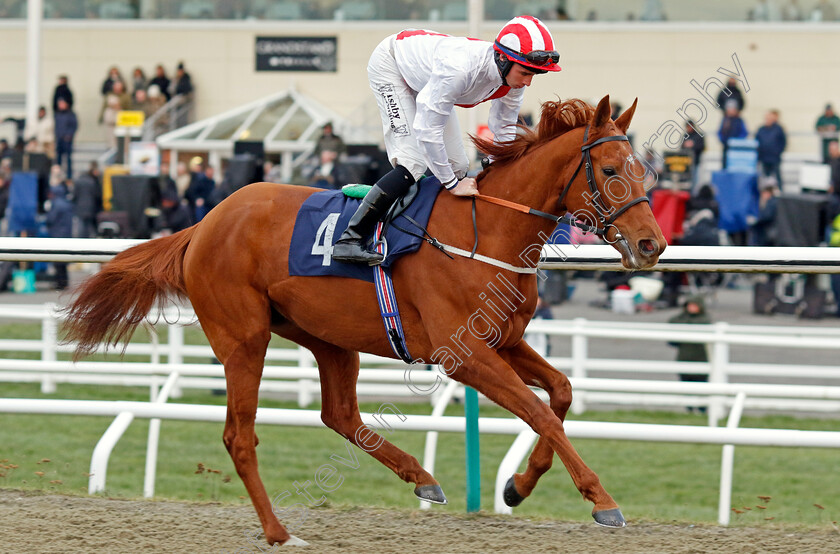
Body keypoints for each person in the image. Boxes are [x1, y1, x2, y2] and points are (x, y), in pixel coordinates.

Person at [332, 16, 562, 264]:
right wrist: (452, 185)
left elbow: (503, 127)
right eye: (526, 73)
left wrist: (498, 166)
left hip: (427, 77)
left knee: (459, 166)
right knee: (412, 163)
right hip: (392, 66)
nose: (528, 81)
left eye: (534, 75)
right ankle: (350, 239)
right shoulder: (459, 69)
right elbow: (426, 130)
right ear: (503, 59)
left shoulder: (512, 75)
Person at [668, 295, 712, 388]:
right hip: (684, 355)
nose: (691, 308)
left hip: (700, 356)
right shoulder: (681, 317)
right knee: (685, 382)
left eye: (694, 305)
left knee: (700, 383)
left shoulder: (704, 319)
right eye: (690, 305)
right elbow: (671, 322)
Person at [45, 183, 74, 290]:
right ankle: (64, 282)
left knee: (57, 261)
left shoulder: (56, 204)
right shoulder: (67, 203)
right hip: (66, 234)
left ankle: (59, 283)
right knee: (63, 261)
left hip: (57, 234)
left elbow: (50, 219)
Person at [755, 109, 787, 187]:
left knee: (777, 175)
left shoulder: (778, 129)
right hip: (763, 157)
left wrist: (778, 152)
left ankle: (779, 191)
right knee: (765, 177)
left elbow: (783, 142)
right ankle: (765, 193)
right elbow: (756, 141)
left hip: (774, 157)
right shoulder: (761, 129)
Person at [73, 161, 102, 238]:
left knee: (81, 226)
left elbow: (75, 195)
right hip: (90, 206)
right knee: (89, 226)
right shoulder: (92, 182)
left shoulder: (78, 181)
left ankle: (81, 241)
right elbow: (97, 195)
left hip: (80, 207)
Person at [717, 100, 748, 169]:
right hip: (726, 146)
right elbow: (720, 132)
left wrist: (736, 141)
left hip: (737, 148)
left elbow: (744, 133)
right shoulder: (725, 120)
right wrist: (723, 140)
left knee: (735, 165)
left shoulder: (739, 120)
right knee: (725, 164)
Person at [54, 98, 78, 178]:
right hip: (59, 139)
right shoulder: (57, 114)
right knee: (58, 159)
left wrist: (69, 135)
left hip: (67, 140)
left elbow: (74, 126)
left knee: (68, 159)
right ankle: (59, 176)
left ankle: (69, 176)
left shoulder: (71, 115)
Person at [682, 119, 705, 188]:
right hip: (686, 163)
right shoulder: (685, 136)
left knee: (695, 180)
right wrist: (685, 145)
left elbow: (702, 147)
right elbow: (681, 147)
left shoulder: (699, 135)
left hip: (696, 162)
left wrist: (693, 145)